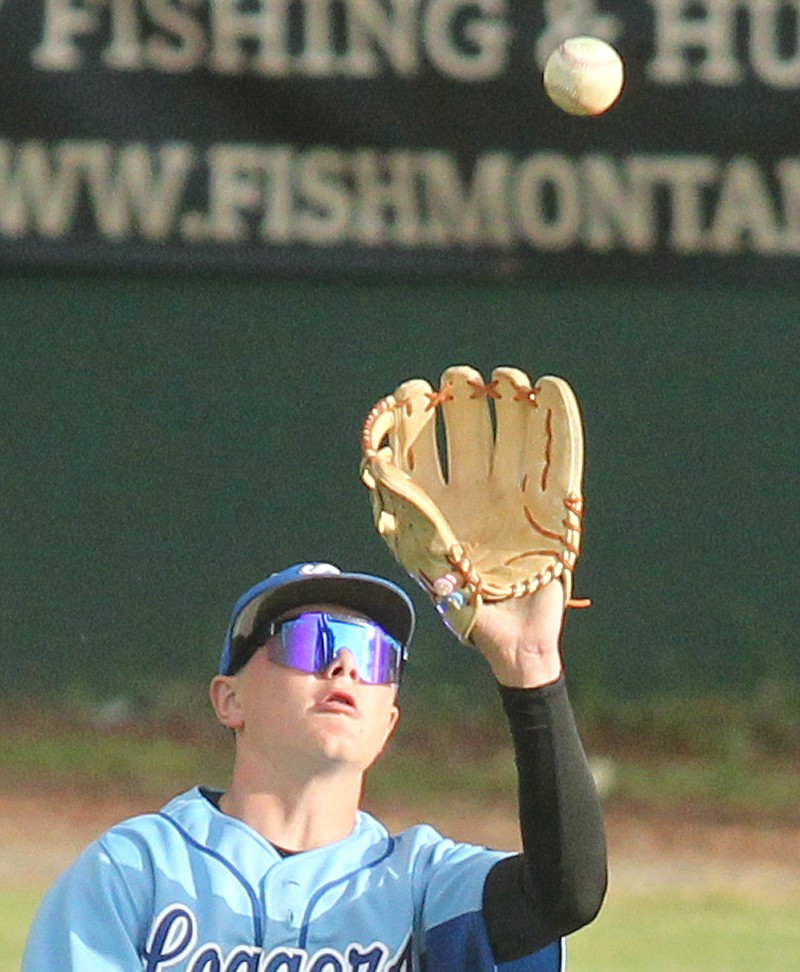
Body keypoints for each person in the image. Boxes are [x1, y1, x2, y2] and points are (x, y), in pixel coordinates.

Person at [23, 560, 606, 971]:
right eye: (309, 642)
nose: (346, 665)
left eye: (376, 655)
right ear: (230, 699)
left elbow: (566, 897)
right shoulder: (135, 871)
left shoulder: (423, 886)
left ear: (388, 724)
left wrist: (532, 669)